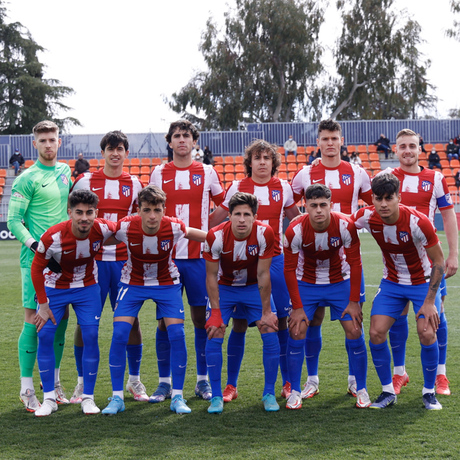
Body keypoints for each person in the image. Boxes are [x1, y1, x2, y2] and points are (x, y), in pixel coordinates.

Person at [101, 185, 207, 415]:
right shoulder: (126, 226)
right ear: (138, 209)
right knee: (119, 334)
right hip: (133, 283)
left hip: (166, 283)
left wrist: (219, 240)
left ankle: (177, 396)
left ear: (164, 210)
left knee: (177, 335)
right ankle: (117, 397)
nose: (152, 216)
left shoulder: (174, 226)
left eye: (157, 210)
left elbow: (192, 233)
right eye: (147, 209)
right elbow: (102, 236)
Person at [209, 139, 300, 402]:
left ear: (274, 162)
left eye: (267, 158)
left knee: (277, 321)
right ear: (249, 162)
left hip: (276, 262)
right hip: (242, 266)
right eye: (257, 158)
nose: (262, 162)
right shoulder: (238, 186)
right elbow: (218, 217)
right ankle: (231, 386)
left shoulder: (282, 187)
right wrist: (203, 235)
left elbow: (295, 219)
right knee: (238, 323)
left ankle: (286, 382)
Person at [291, 118, 372, 399]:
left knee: (353, 321)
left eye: (334, 138)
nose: (329, 143)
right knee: (312, 321)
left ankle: (354, 380)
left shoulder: (358, 172)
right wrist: (301, 233)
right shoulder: (304, 174)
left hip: (346, 261)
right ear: (318, 142)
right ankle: (312, 380)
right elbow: (289, 207)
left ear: (341, 141)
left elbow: (375, 206)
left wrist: (358, 222)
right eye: (324, 138)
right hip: (310, 262)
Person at [352, 173, 445, 410]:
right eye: (378, 198)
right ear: (371, 198)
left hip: (422, 282)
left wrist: (430, 301)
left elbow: (439, 262)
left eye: (388, 198)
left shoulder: (418, 222)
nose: (383, 204)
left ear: (398, 198)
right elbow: (341, 222)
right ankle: (387, 391)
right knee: (376, 332)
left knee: (426, 332)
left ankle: (429, 392)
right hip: (392, 282)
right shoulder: (367, 218)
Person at [149, 120, 225, 403]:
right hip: (165, 258)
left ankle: (202, 381)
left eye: (187, 136)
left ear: (195, 142)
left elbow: (225, 205)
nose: (182, 140)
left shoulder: (207, 172)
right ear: (170, 142)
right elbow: (149, 210)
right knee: (164, 322)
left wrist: (206, 228)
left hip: (197, 258)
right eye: (177, 136)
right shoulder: (159, 172)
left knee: (200, 319)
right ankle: (164, 382)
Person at [379, 128, 458, 396]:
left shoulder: (435, 177)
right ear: (395, 150)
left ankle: (441, 374)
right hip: (396, 264)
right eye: (402, 146)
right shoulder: (386, 179)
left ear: (420, 148)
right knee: (397, 316)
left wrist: (453, 254)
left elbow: (448, 217)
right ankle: (399, 373)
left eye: (412, 145)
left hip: (430, 264)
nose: (408, 150)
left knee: (437, 316)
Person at [71, 131, 145, 404]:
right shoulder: (87, 180)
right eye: (110, 148)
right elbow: (75, 217)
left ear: (126, 153)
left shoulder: (135, 183)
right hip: (93, 261)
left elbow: (139, 219)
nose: (115, 153)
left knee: (131, 320)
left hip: (125, 262)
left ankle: (134, 380)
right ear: (102, 153)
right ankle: (81, 383)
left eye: (120, 148)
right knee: (86, 322)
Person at [284, 184, 370, 410]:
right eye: (313, 205)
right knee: (297, 328)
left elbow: (355, 263)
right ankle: (298, 389)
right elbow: (289, 270)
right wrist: (297, 307)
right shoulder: (295, 229)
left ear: (330, 205)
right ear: (306, 206)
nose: (319, 210)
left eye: (323, 205)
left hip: (339, 281)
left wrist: (353, 302)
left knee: (354, 329)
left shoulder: (345, 225)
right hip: (307, 283)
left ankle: (360, 387)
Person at [31, 189, 116, 416]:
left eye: (89, 212)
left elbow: (128, 228)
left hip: (87, 287)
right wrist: (43, 304)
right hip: (55, 289)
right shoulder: (53, 237)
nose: (84, 218)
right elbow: (36, 269)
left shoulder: (103, 228)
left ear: (96, 213)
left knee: (90, 335)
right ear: (69, 212)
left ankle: (87, 397)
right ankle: (49, 398)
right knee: (45, 335)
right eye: (78, 212)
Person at [7, 120, 72, 412]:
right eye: (42, 140)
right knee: (33, 320)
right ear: (35, 144)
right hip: (34, 260)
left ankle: (54, 385)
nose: (48, 144)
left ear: (60, 141)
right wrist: (36, 245)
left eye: (52, 139)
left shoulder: (65, 171)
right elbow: (13, 221)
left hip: (63, 261)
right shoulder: (26, 178)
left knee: (60, 319)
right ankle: (26, 387)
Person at [204, 192, 280, 414]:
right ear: (229, 215)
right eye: (237, 214)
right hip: (224, 288)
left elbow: (264, 273)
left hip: (252, 287)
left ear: (255, 217)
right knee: (215, 330)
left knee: (269, 328)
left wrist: (266, 311)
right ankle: (217, 396)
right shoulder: (215, 236)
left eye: (247, 214)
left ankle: (269, 393)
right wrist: (216, 311)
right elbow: (210, 276)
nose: (241, 219)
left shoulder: (265, 233)